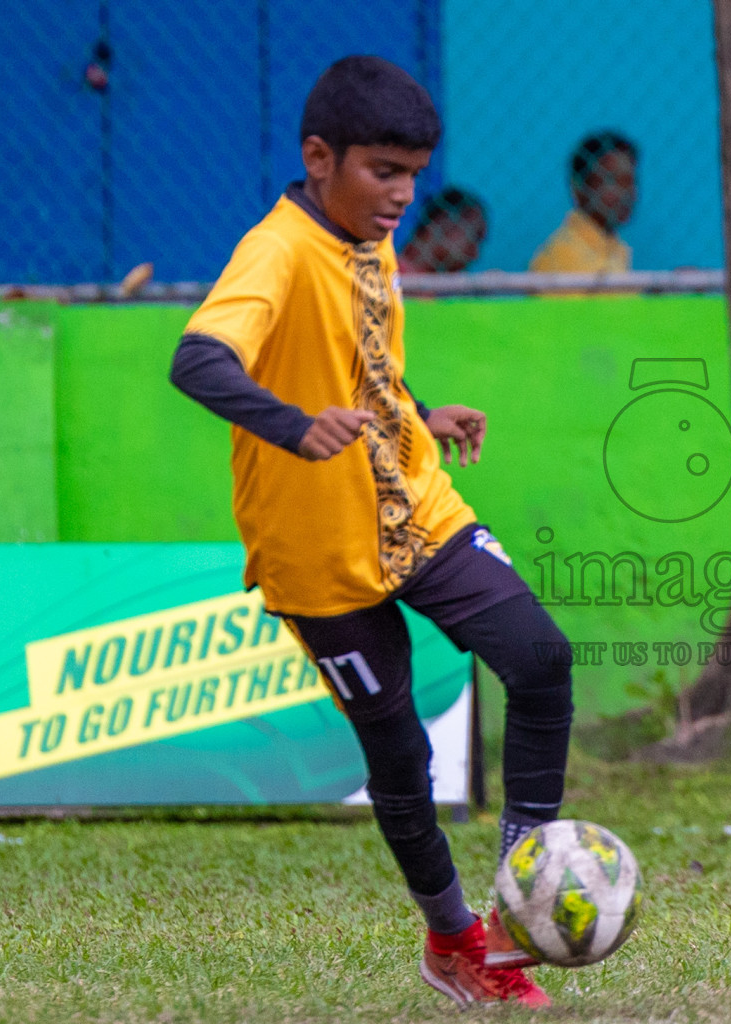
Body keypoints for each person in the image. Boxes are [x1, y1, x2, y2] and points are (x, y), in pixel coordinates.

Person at [168, 56, 572, 1008]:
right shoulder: (276, 250)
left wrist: (418, 415)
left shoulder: (369, 236)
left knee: (540, 658)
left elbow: (364, 362)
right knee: (402, 760)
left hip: (412, 506)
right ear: (320, 158)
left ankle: (520, 899)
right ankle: (451, 943)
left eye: (413, 172)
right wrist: (294, 426)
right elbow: (196, 360)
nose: (403, 194)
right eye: (383, 170)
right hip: (318, 552)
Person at [529, 130, 637, 274]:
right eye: (611, 181)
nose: (625, 193)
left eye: (629, 181)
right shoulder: (562, 254)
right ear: (579, 189)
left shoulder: (617, 249)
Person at [400, 186, 488, 273]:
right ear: (442, 223)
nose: (475, 255)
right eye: (474, 237)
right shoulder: (391, 272)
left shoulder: (441, 283)